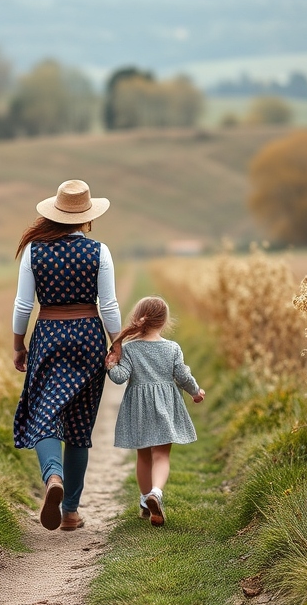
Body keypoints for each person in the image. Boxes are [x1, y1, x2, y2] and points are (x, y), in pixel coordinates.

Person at [12, 179, 121, 532]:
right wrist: (116, 342)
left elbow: (23, 305)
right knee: (79, 426)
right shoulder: (99, 252)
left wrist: (18, 344)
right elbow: (109, 305)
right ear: (87, 218)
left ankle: (52, 477)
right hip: (89, 338)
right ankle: (71, 512)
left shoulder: (33, 251)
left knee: (43, 413)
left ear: (55, 214)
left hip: (48, 337)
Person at [105, 296, 205, 526]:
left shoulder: (129, 349)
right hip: (165, 407)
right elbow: (182, 376)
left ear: (138, 319)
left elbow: (120, 378)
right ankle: (156, 493)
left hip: (138, 407)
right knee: (161, 455)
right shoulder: (172, 348)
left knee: (143, 455)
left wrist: (110, 364)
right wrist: (196, 392)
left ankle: (144, 501)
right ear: (163, 322)